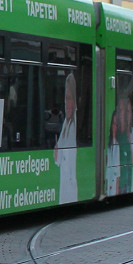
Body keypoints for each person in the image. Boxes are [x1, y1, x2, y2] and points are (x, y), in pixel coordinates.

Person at [54, 74, 79, 204]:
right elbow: (57, 155)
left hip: (69, 188)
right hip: (64, 187)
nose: (66, 103)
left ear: (75, 100)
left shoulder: (75, 123)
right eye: (65, 99)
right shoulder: (66, 123)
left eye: (69, 98)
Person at [105, 110, 120, 197]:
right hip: (108, 180)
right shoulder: (108, 144)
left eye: (116, 124)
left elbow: (118, 174)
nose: (115, 126)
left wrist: (117, 192)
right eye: (113, 123)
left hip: (114, 183)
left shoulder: (118, 145)